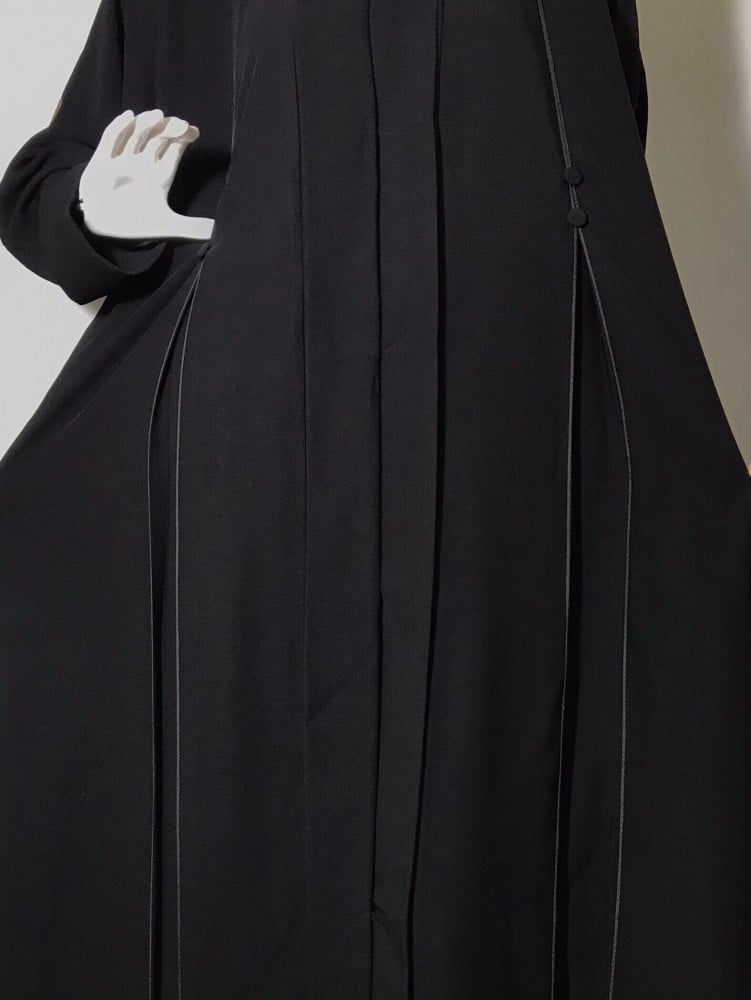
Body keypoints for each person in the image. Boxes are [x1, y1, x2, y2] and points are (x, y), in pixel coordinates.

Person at [1, 1, 750, 997]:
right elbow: (47, 183)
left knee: (490, 830)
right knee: (244, 824)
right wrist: (97, 207)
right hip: (256, 437)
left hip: (504, 444)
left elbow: (604, 148)